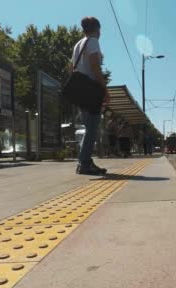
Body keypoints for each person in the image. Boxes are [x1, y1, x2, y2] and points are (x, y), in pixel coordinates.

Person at [71, 16, 109, 175]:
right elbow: (94, 64)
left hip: (80, 90)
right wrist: (104, 88)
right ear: (97, 29)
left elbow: (71, 67)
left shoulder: (77, 45)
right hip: (90, 90)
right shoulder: (93, 41)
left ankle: (83, 161)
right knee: (93, 127)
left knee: (89, 128)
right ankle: (85, 163)